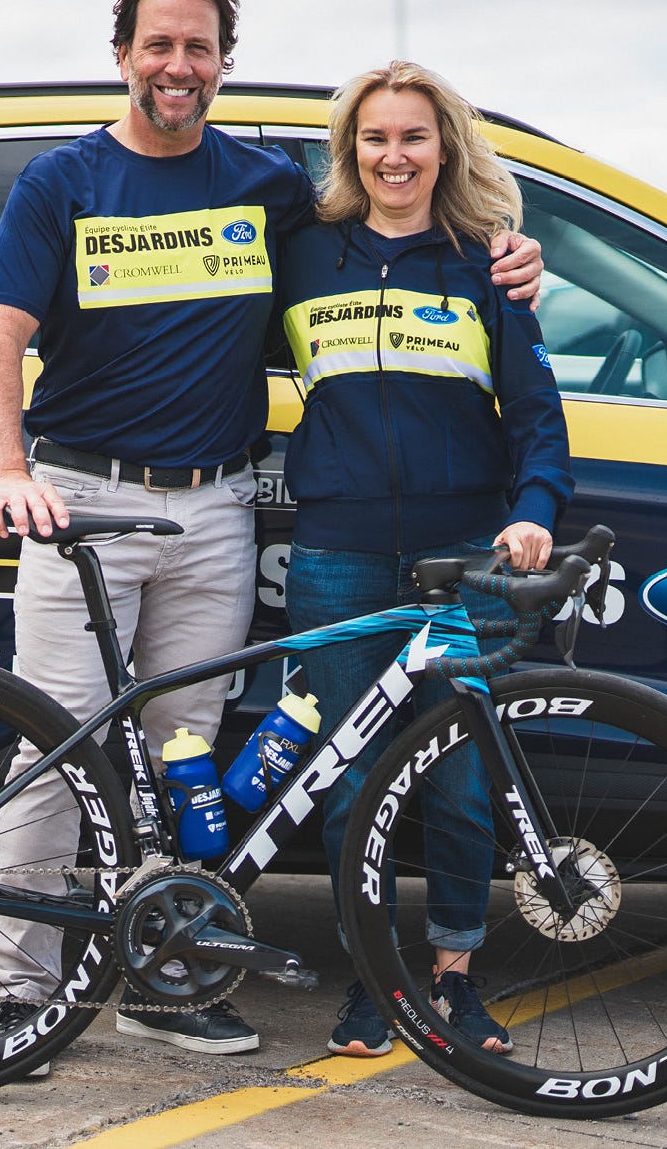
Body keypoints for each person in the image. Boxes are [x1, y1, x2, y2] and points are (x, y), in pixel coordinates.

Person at [0, 0, 543, 1062]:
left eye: (197, 47)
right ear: (122, 56)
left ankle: (167, 974)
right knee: (56, 750)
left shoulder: (266, 188)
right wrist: (4, 470)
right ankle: (14, 988)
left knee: (184, 750)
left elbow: (372, 253)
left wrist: (509, 256)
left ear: (223, 64)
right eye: (157, 45)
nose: (175, 66)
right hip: (79, 495)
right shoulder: (61, 183)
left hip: (217, 505)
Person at [277, 61, 573, 1059]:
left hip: (463, 551)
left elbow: (536, 415)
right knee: (352, 778)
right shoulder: (304, 254)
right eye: (373, 138)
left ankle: (454, 978)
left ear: (443, 145)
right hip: (334, 552)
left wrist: (533, 512)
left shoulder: (488, 261)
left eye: (411, 137)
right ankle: (370, 982)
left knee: (452, 782)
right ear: (347, 150)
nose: (392, 155)